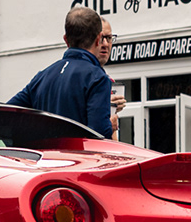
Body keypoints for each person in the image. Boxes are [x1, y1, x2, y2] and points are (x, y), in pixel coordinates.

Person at [8, 7, 114, 137]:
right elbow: (99, 135)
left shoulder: (42, 77)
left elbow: (6, 115)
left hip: (44, 150)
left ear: (66, 40)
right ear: (98, 39)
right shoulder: (97, 78)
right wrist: (110, 125)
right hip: (77, 150)